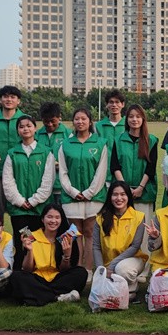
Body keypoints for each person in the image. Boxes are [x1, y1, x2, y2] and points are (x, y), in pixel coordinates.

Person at [58, 107, 108, 273]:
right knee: (75, 232)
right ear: (73, 122)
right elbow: (62, 171)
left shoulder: (100, 143)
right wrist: (72, 191)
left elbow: (101, 172)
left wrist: (89, 192)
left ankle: (88, 269)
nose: (80, 122)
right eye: (77, 119)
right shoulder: (65, 144)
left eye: (83, 119)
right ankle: (78, 268)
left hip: (94, 196)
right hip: (71, 197)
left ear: (90, 121)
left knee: (90, 232)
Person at [3, 115, 55, 268]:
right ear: (18, 131)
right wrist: (20, 201)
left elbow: (48, 180)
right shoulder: (13, 153)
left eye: (28, 125)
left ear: (35, 128)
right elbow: (8, 181)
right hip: (20, 211)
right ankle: (20, 270)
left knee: (38, 241)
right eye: (21, 126)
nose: (25, 129)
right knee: (22, 241)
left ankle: (38, 269)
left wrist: (33, 201)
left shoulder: (45, 152)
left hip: (39, 209)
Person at [10, 204, 88, 306]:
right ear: (43, 219)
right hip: (36, 278)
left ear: (61, 220)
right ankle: (58, 297)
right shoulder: (30, 236)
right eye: (49, 217)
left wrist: (66, 255)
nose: (53, 221)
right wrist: (29, 251)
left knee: (81, 272)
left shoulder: (66, 238)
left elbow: (64, 270)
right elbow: (27, 270)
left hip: (57, 278)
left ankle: (38, 296)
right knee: (16, 276)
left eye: (57, 217)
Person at [93, 181, 147, 301]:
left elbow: (135, 246)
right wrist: (100, 270)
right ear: (110, 197)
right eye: (115, 194)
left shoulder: (138, 217)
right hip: (108, 264)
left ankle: (132, 287)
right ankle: (120, 287)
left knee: (122, 270)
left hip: (132, 260)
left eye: (123, 194)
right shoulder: (100, 218)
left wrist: (112, 266)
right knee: (105, 291)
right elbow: (96, 247)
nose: (119, 198)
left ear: (128, 197)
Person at [0, 85, 26, 216]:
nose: (9, 100)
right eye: (5, 96)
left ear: (18, 101)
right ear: (0, 100)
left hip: (20, 173)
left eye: (13, 97)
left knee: (20, 212)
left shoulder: (25, 119)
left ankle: (21, 231)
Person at [112, 104, 158, 223]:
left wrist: (140, 188)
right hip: (122, 193)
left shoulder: (151, 140)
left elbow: (151, 168)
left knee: (143, 227)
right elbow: (115, 166)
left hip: (144, 192)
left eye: (138, 116)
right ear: (126, 119)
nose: (134, 119)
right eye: (131, 116)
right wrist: (124, 188)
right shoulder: (118, 140)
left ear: (143, 119)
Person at [36, 102, 70, 204]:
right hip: (42, 187)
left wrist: (62, 165)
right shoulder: (36, 135)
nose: (50, 124)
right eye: (46, 121)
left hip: (63, 187)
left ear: (59, 117)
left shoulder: (68, 134)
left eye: (53, 121)